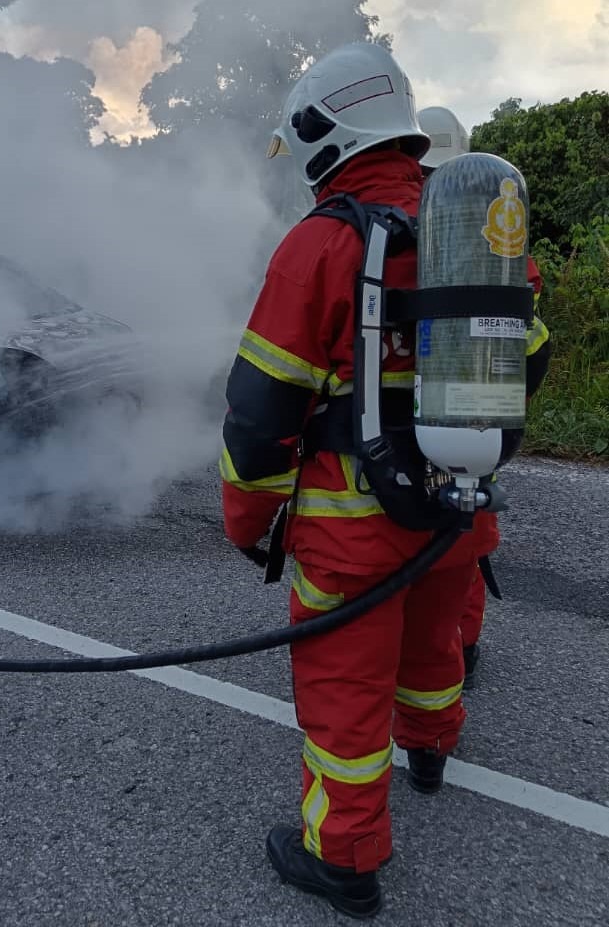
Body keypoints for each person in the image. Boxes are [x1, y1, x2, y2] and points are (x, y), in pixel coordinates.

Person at [220, 43, 542, 919]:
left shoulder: (320, 244)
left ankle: (345, 855)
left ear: (324, 134)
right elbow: (529, 347)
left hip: (350, 533)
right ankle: (433, 749)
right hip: (453, 514)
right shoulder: (470, 227)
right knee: (435, 652)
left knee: (344, 694)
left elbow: (259, 411)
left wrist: (247, 520)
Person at [417, 106, 551, 686]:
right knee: (464, 554)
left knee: (435, 553)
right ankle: (457, 662)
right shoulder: (507, 252)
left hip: (425, 426)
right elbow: (535, 344)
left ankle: (434, 667)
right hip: (476, 426)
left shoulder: (411, 237)